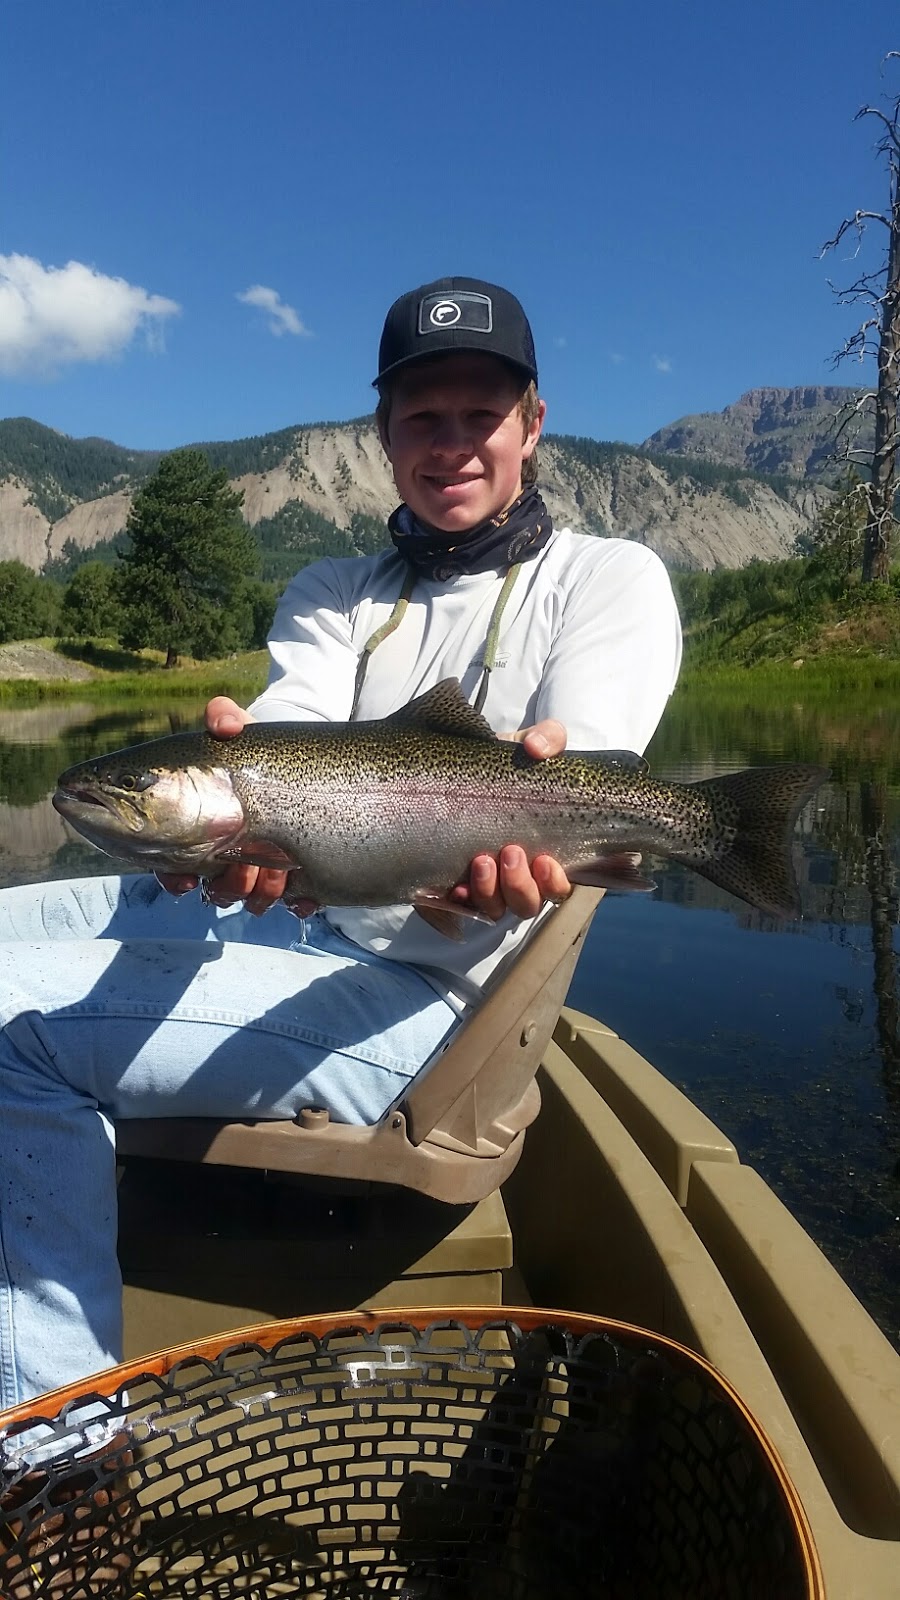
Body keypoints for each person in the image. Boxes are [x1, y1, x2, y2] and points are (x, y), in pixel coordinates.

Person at [0, 276, 682, 1411]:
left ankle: (53, 1452)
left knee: (11, 1029)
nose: (453, 443)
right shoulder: (331, 590)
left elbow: (584, 785)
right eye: (424, 417)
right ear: (383, 433)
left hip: (436, 1000)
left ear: (533, 423)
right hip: (282, 928)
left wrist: (541, 835)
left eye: (482, 414)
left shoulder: (609, 580)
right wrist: (239, 817)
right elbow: (294, 747)